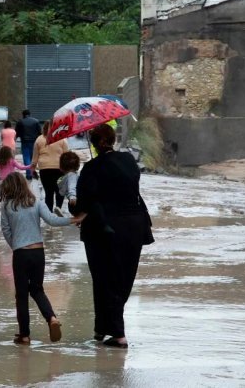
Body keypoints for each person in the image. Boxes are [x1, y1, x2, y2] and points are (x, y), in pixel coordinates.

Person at [71, 123, 154, 349]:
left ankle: (118, 334)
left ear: (94, 144)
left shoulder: (91, 168)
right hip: (135, 227)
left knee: (104, 279)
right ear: (112, 140)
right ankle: (102, 328)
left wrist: (72, 204)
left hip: (103, 230)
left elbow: (83, 204)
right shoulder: (128, 161)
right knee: (124, 278)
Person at [0, 172, 68, 345]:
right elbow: (52, 220)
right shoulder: (36, 202)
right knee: (37, 290)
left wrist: (16, 245)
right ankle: (51, 318)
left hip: (21, 253)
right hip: (38, 252)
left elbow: (6, 231)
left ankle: (25, 335)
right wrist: (74, 219)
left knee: (21, 295)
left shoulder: (7, 206)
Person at [30, 121, 69, 212]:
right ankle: (58, 207)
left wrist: (33, 169)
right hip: (59, 168)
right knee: (59, 190)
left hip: (44, 169)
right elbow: (66, 155)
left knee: (48, 192)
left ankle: (49, 212)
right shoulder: (62, 139)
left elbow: (35, 156)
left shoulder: (39, 139)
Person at [14, 109, 41, 180]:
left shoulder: (20, 122)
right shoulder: (36, 121)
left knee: (26, 157)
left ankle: (29, 174)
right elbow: (39, 132)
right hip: (34, 142)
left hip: (25, 142)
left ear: (23, 115)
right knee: (33, 158)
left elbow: (16, 133)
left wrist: (14, 140)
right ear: (29, 114)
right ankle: (32, 172)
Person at [56, 151, 81, 216]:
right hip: (76, 202)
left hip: (71, 206)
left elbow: (62, 193)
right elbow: (71, 186)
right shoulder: (71, 175)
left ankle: (79, 219)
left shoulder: (64, 178)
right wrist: (72, 197)